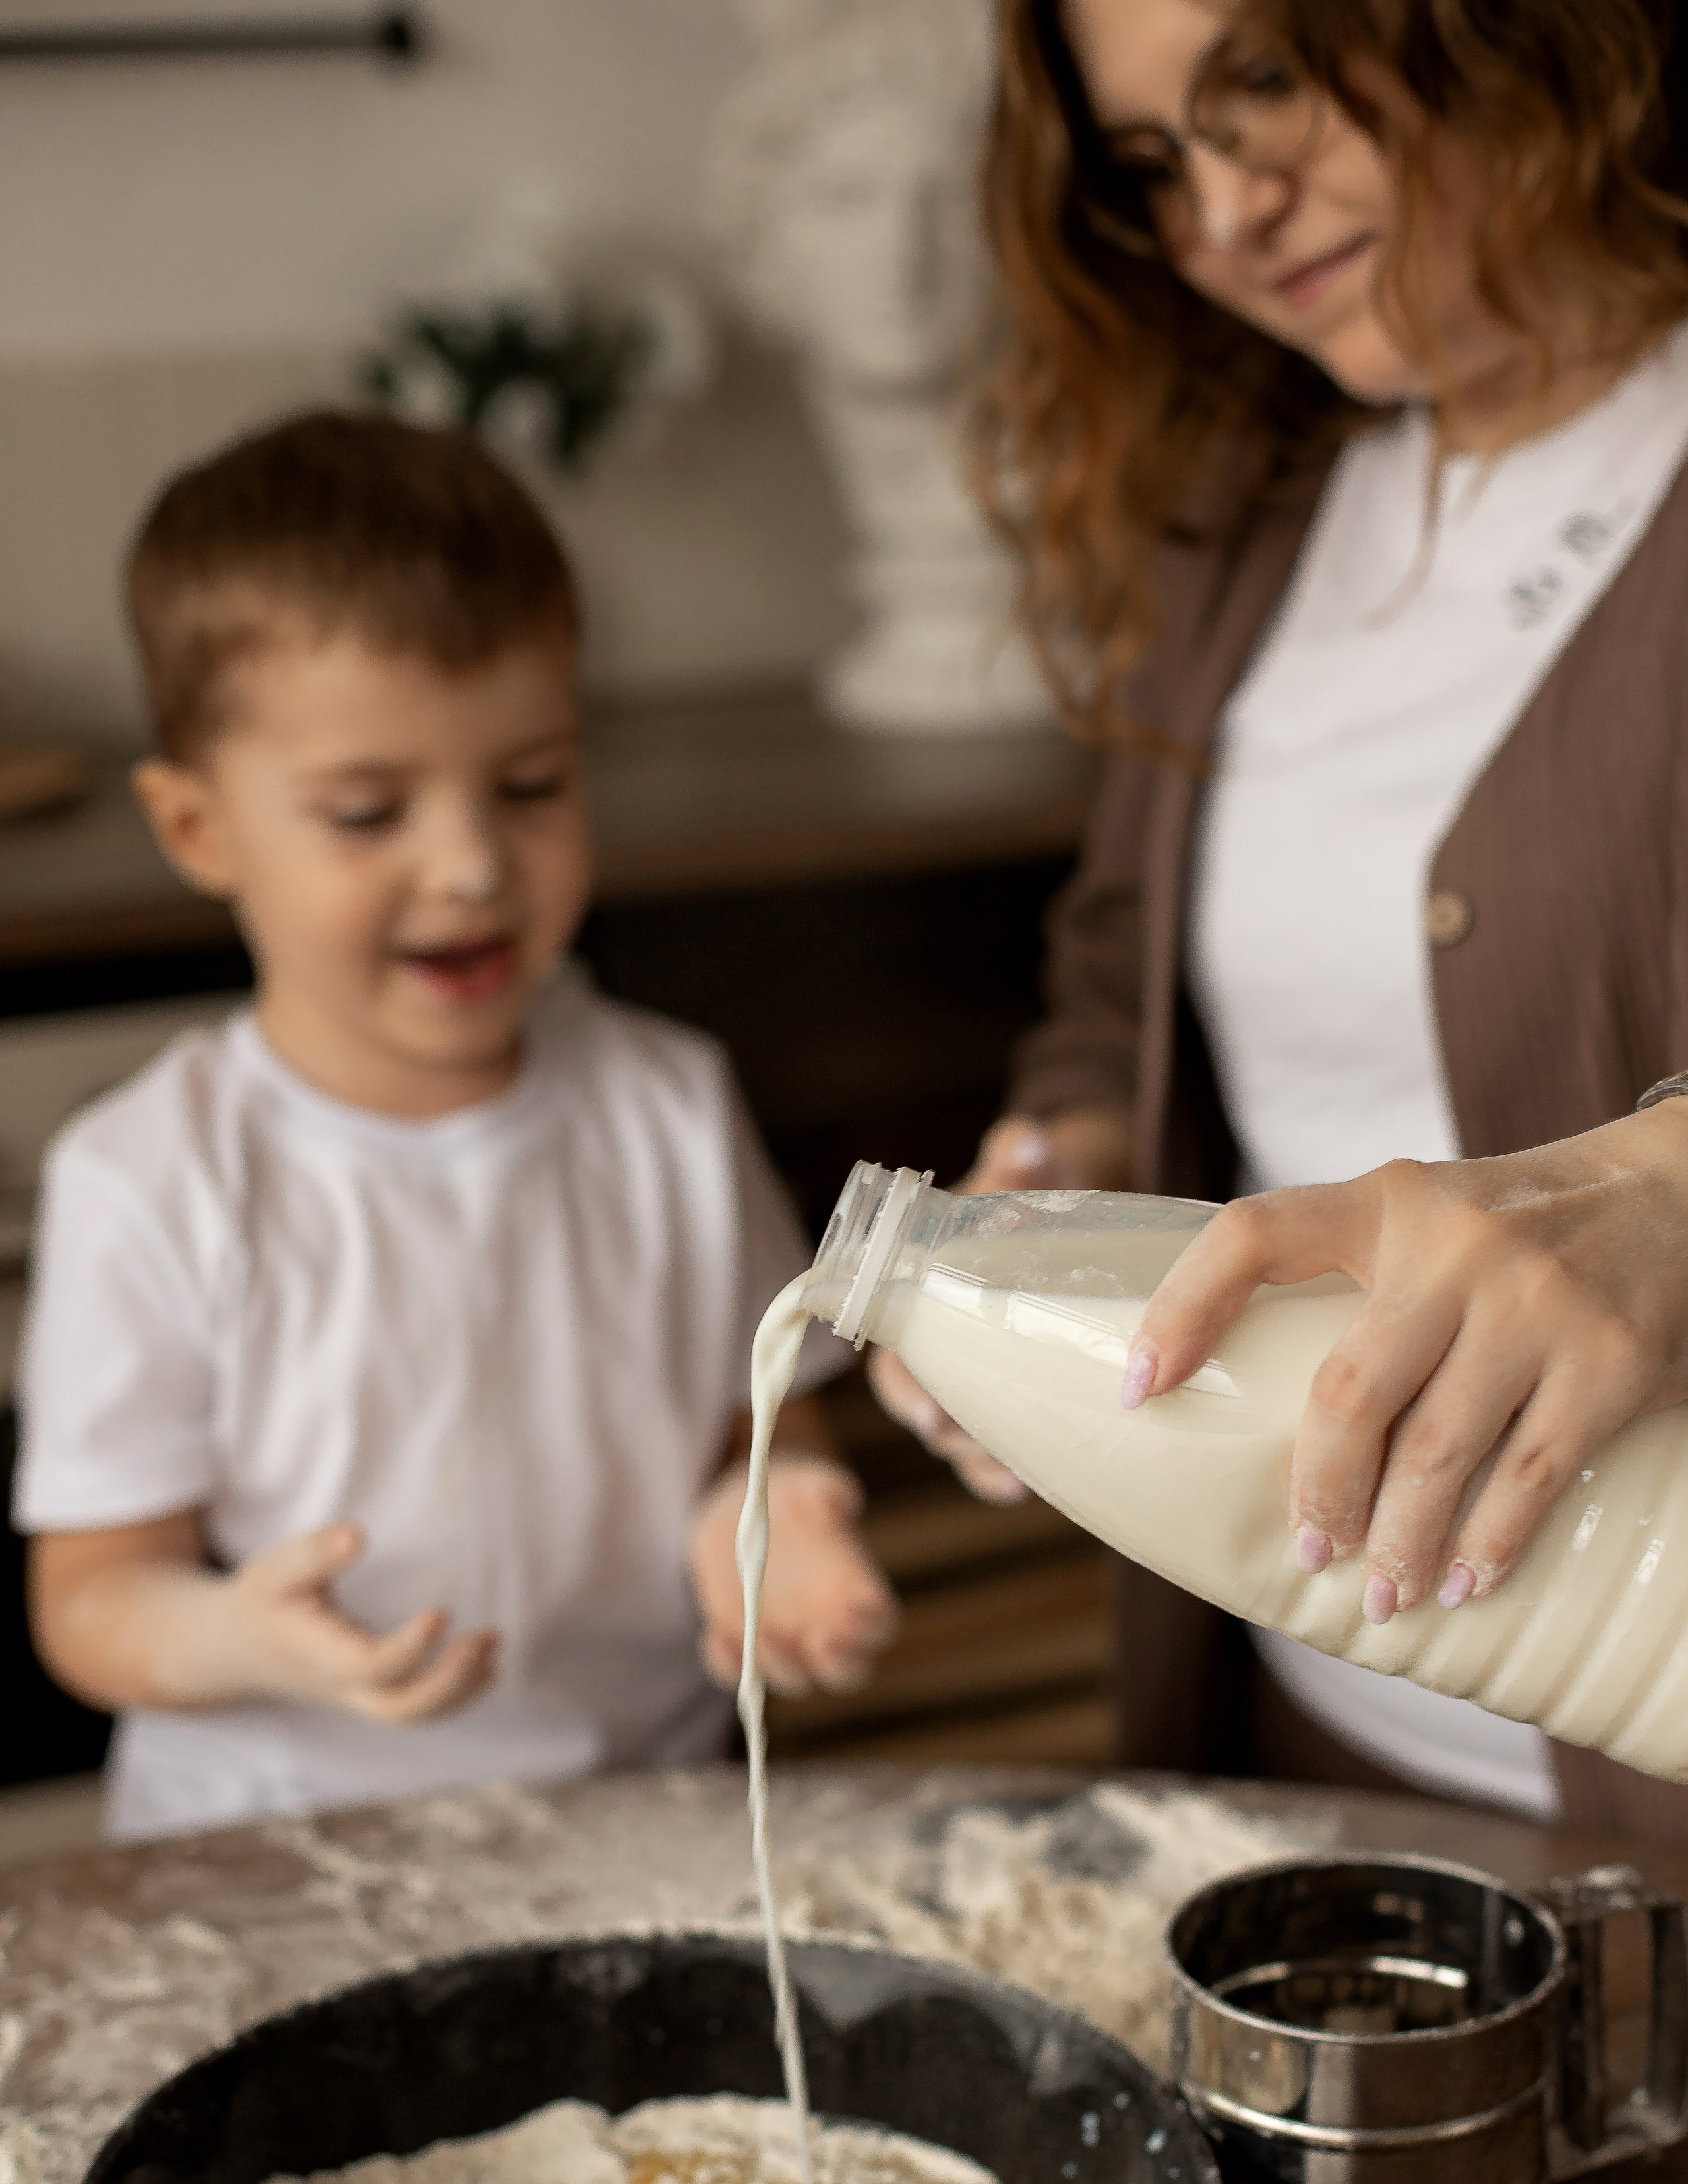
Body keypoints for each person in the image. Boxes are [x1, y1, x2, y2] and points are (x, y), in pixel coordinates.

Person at [872, 0, 1688, 1836]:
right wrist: (1069, 1170)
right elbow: (1119, 976)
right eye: (1152, 162)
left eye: (1265, 84)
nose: (1227, 211)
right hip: (1312, 1730)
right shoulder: (1248, 508)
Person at [15, 410, 897, 1842]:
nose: (473, 864)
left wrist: (776, 1513)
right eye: (368, 813)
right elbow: (92, 1599)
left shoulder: (670, 1103)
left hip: (637, 1809)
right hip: (274, 1836)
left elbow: (765, 1421)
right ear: (198, 831)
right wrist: (244, 1635)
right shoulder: (149, 1175)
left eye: (531, 786)